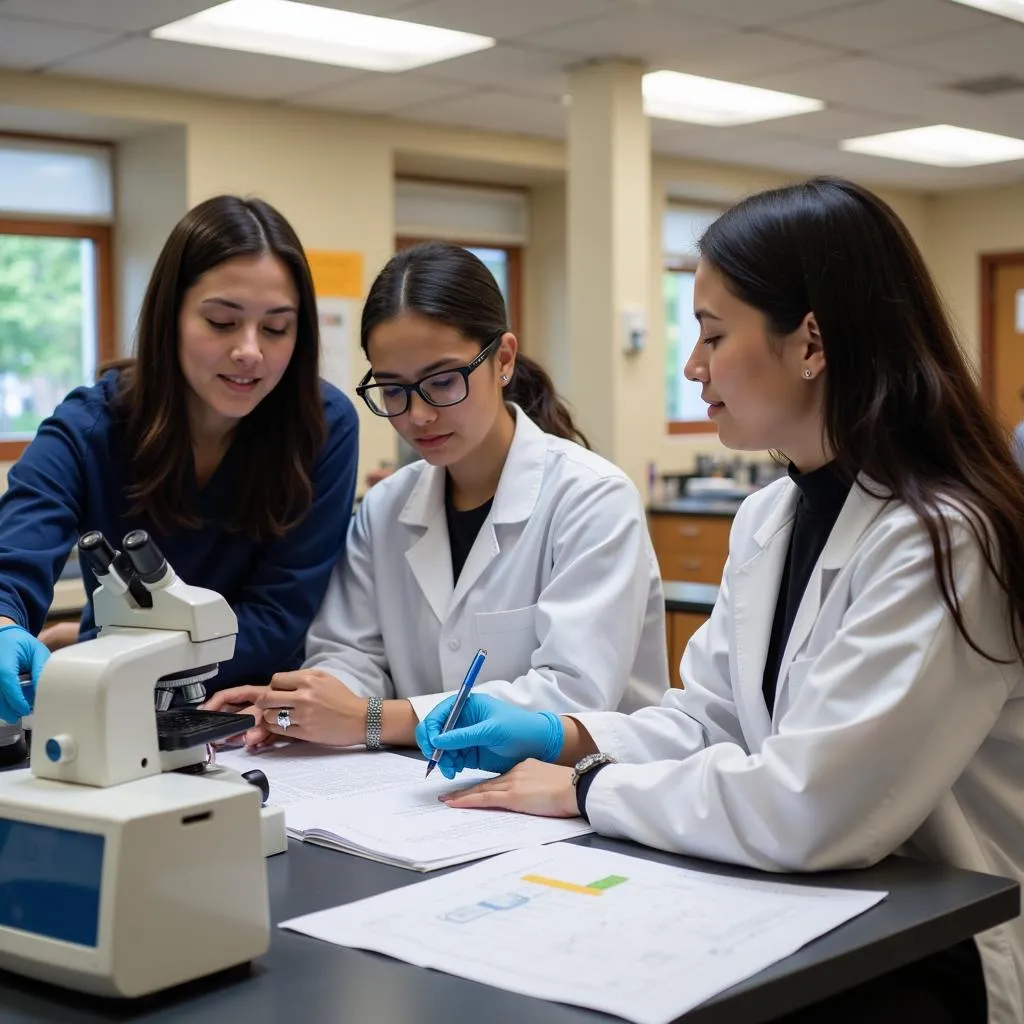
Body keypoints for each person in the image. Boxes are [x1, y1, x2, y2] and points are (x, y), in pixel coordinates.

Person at [416, 179, 1024, 1024]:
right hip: (805, 901)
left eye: (711, 334)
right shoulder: (773, 514)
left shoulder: (942, 538)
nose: (692, 365)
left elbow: (813, 805)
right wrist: (570, 737)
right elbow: (711, 721)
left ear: (811, 341)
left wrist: (586, 787)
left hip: (932, 940)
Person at [204, 241, 668, 749]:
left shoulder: (592, 499)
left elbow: (573, 696)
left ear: (503, 359)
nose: (418, 415)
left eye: (443, 382)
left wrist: (372, 719)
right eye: (393, 389)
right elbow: (350, 653)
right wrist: (302, 707)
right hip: (429, 799)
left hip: (580, 801)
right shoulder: (384, 510)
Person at [0, 195, 359, 727]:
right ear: (170, 316)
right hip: (115, 699)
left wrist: (110, 662)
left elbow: (280, 611)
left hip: (253, 713)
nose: (249, 351)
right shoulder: (93, 424)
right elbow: (20, 539)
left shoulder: (324, 427)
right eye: (220, 322)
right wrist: (5, 622)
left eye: (277, 328)